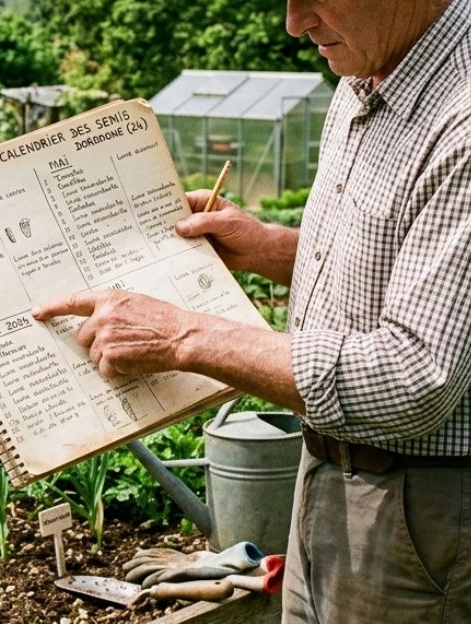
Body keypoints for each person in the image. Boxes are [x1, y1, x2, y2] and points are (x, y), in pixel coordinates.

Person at [32, 0, 471, 621]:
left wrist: (184, 335)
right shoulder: (367, 73)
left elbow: (412, 378)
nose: (295, 23)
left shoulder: (462, 116)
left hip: (416, 506)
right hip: (323, 472)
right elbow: (401, 263)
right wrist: (271, 247)